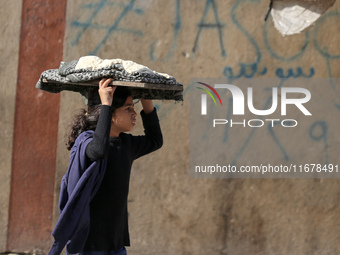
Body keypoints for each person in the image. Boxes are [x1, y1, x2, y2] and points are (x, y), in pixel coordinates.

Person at [49, 78, 163, 255]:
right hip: (88, 244)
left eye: (133, 107)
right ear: (109, 114)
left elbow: (155, 141)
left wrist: (147, 104)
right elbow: (98, 151)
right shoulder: (86, 142)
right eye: (128, 108)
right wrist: (106, 105)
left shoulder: (126, 144)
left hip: (115, 243)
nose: (134, 113)